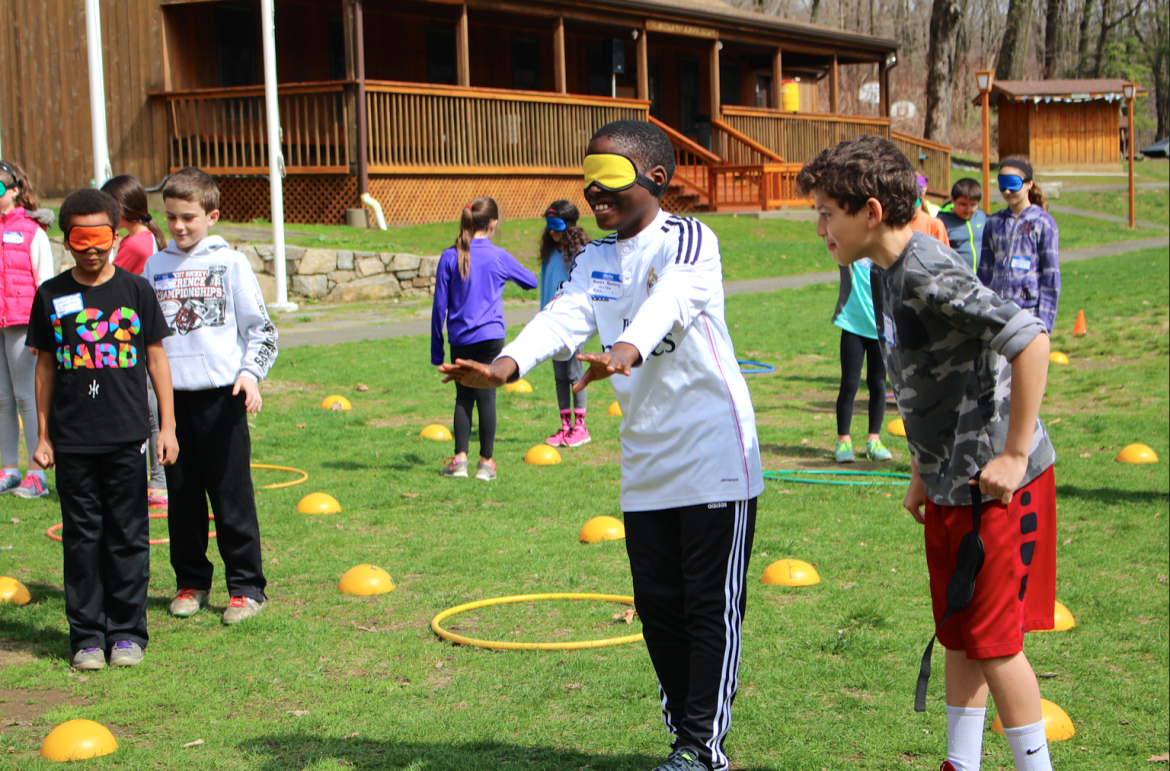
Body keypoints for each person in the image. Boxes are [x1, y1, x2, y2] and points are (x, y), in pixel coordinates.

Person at [439, 120, 763, 771]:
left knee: (709, 606)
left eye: (610, 177)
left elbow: (670, 300)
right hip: (646, 462)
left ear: (657, 179)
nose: (593, 190)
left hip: (714, 454)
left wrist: (624, 349)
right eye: (587, 176)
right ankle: (683, 736)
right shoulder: (597, 259)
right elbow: (562, 316)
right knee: (659, 608)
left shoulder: (690, 240)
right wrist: (503, 366)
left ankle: (703, 746)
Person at [797, 134, 1058, 771]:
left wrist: (1015, 455)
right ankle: (960, 764)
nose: (821, 227)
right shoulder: (881, 272)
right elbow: (928, 382)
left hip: (994, 483)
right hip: (947, 481)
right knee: (960, 632)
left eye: (828, 213)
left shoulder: (927, 269)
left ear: (870, 212)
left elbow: (1030, 342)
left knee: (995, 644)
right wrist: (919, 469)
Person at [28, 188, 177, 670]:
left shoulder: (135, 291)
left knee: (127, 536)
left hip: (126, 438)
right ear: (67, 239)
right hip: (72, 441)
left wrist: (167, 428)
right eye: (81, 237)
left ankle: (128, 633)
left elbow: (157, 359)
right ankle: (87, 637)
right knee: (82, 537)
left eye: (101, 237)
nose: (92, 247)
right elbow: (45, 368)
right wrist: (44, 436)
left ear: (116, 235)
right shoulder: (51, 294)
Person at [144, 167, 278, 626]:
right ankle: (190, 583)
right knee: (181, 498)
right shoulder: (154, 267)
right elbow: (146, 338)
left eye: (189, 217)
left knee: (230, 495)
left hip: (222, 400)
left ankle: (245, 588)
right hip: (170, 404)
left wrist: (250, 375)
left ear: (212, 215)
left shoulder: (231, 264)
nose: (179, 226)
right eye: (171, 217)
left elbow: (262, 331)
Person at [430, 197, 537, 481]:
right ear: (493, 224)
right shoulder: (498, 256)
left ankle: (460, 461)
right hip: (491, 337)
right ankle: (486, 464)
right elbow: (531, 281)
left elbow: (439, 308)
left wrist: (435, 351)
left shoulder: (449, 256)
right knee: (486, 396)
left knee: (463, 396)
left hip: (460, 339)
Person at [102, 174, 170, 511]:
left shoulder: (136, 244)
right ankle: (154, 481)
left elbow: (106, 276)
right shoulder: (141, 239)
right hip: (138, 332)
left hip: (137, 334)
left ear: (121, 208)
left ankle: (157, 483)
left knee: (148, 410)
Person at [0, 160, 54, 498]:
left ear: (15, 190)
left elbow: (45, 283)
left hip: (23, 325)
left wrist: (41, 332)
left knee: (27, 398)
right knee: (2, 400)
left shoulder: (33, 231)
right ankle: (8, 469)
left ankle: (38, 473)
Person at [978, 158, 1060, 333]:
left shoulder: (1043, 222)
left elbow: (1051, 276)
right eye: (1002, 184)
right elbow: (984, 272)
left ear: (1029, 184)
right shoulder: (993, 222)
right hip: (997, 314)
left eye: (1013, 184)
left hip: (1029, 316)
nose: (1007, 191)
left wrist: (1044, 325)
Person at [537, 200, 591, 448]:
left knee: (574, 373)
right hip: (551, 322)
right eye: (549, 227)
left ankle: (580, 427)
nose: (551, 232)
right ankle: (565, 425)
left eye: (556, 227)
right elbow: (545, 286)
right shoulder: (550, 254)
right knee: (559, 376)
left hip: (572, 323)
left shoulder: (580, 253)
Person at [830, 257, 892, 463]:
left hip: (880, 329)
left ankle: (874, 440)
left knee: (878, 383)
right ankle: (843, 440)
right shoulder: (850, 253)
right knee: (849, 383)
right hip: (853, 326)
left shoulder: (885, 254)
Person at [937, 179, 988, 272]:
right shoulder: (941, 222)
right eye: (963, 204)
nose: (968, 209)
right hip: (957, 279)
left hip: (982, 279)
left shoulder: (982, 217)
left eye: (973, 205)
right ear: (953, 200)